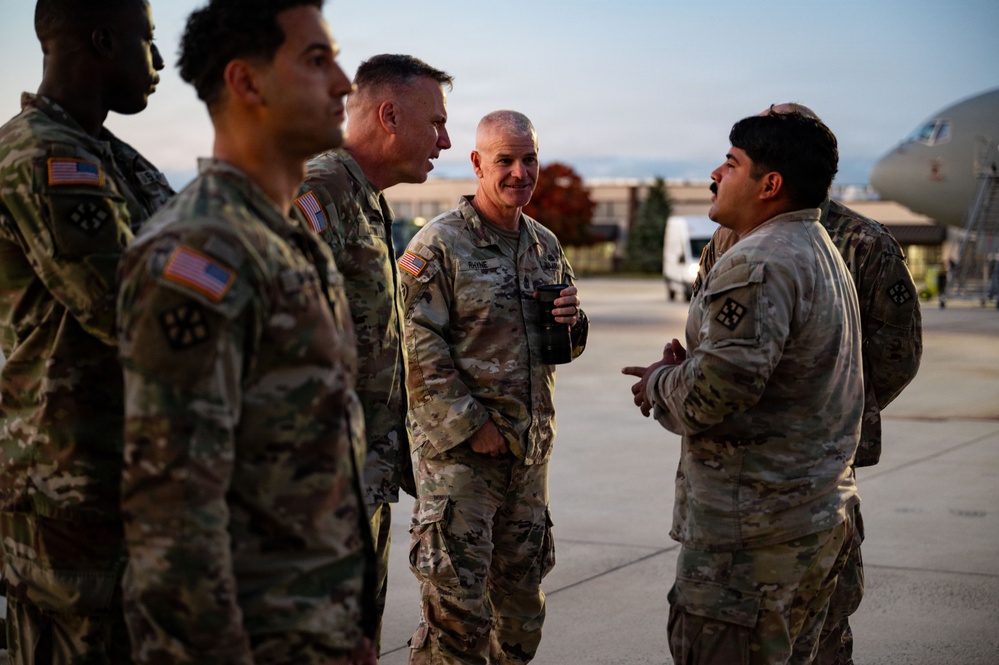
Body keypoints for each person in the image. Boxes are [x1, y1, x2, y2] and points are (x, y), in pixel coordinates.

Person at [115, 1, 376, 663]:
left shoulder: (284, 237)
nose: (343, 82)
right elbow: (172, 517)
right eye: (316, 60)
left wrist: (344, 628)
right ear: (246, 82)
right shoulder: (202, 248)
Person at [623, 111, 863, 664]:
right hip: (811, 519)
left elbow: (715, 392)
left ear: (769, 184)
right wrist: (695, 366)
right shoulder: (816, 247)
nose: (716, 174)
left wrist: (661, 383)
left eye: (731, 164)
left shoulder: (757, 261)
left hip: (752, 539)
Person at [694, 103, 923, 665]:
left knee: (820, 618)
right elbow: (714, 333)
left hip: (819, 465)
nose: (719, 174)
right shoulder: (726, 238)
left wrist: (825, 409)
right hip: (744, 469)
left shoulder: (863, 241)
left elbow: (897, 353)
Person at [0, 0, 173, 661]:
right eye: (147, 41)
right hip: (72, 499)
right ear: (103, 41)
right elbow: (136, 311)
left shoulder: (111, 157)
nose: (158, 61)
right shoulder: (44, 157)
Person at [400, 110, 588, 664]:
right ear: (478, 164)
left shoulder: (544, 244)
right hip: (462, 465)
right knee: (457, 622)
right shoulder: (438, 245)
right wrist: (472, 426)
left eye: (529, 159)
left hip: (527, 462)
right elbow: (415, 348)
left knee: (521, 617)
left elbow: (565, 344)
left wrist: (573, 322)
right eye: (505, 160)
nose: (519, 172)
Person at [295, 53, 453, 654]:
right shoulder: (321, 190)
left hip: (362, 479)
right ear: (389, 116)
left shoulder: (366, 198)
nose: (444, 140)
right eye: (435, 123)